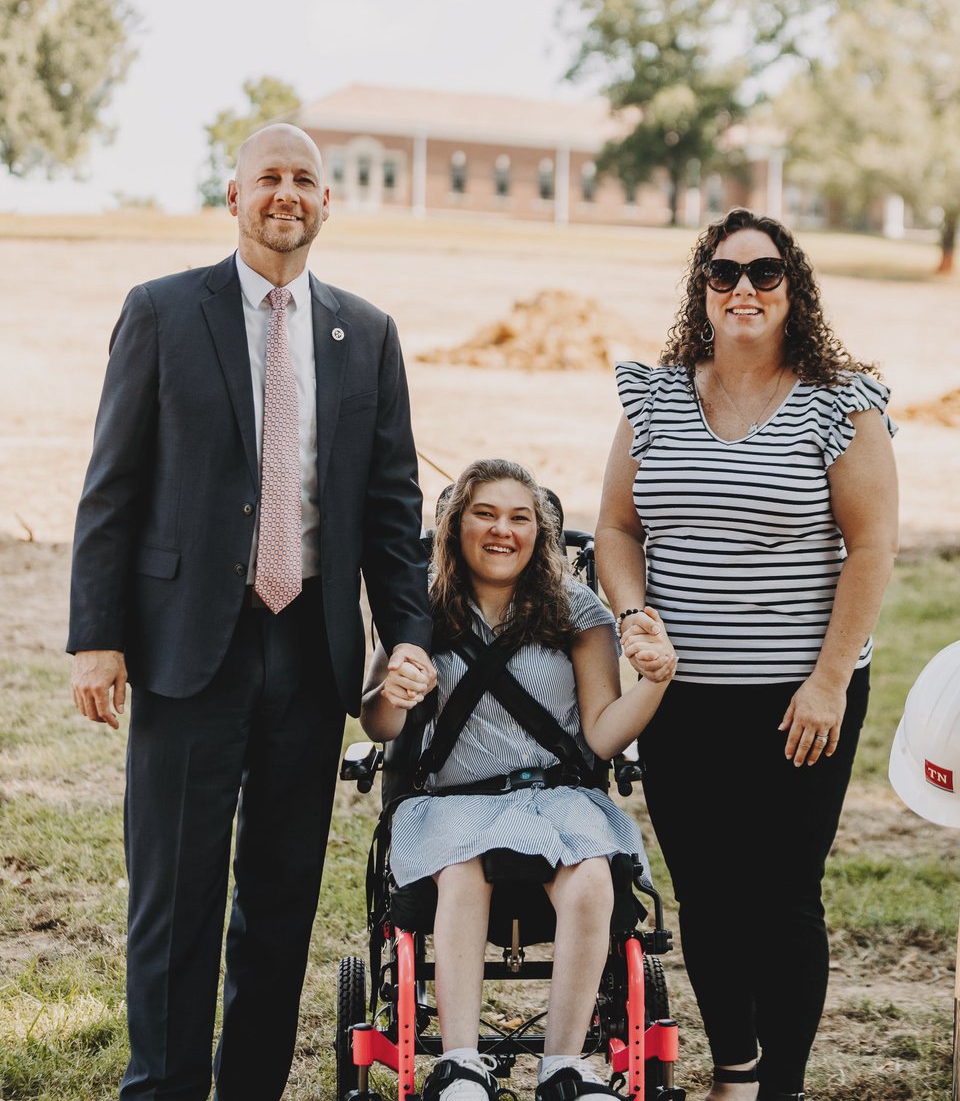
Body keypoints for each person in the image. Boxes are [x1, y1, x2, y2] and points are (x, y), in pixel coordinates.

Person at [67, 123, 435, 1101]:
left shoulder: (368, 333)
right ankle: (165, 1084)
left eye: (304, 180)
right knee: (175, 897)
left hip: (312, 651)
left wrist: (408, 636)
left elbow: (396, 512)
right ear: (232, 197)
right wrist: (96, 637)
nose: (287, 193)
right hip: (191, 644)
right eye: (268, 177)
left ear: (327, 203)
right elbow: (113, 487)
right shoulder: (161, 311)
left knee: (278, 903)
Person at [596, 208, 898, 1101]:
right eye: (724, 274)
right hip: (679, 699)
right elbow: (616, 526)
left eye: (765, 274)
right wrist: (632, 613)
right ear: (704, 289)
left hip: (799, 699)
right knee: (708, 897)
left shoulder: (840, 403)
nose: (743, 290)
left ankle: (785, 1087)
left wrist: (830, 681)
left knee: (783, 895)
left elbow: (873, 547)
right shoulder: (653, 397)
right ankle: (736, 1069)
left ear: (792, 290)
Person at [361, 458, 677, 1101]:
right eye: (484, 513)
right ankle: (460, 1064)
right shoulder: (418, 603)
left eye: (519, 518)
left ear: (541, 533)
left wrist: (654, 682)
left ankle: (562, 1066)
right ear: (454, 526)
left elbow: (603, 735)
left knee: (591, 875)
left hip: (557, 799)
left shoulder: (576, 610)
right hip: (454, 800)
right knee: (460, 868)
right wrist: (392, 690)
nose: (502, 530)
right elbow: (380, 725)